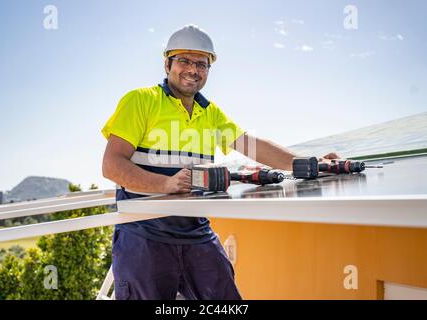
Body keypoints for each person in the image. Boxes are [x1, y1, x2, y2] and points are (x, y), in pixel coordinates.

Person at [101, 24, 339, 300]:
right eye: (184, 61)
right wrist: (165, 184)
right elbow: (112, 166)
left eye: (201, 64)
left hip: (196, 231)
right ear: (167, 64)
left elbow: (255, 147)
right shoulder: (141, 101)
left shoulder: (209, 113)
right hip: (143, 234)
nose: (193, 70)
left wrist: (314, 163)